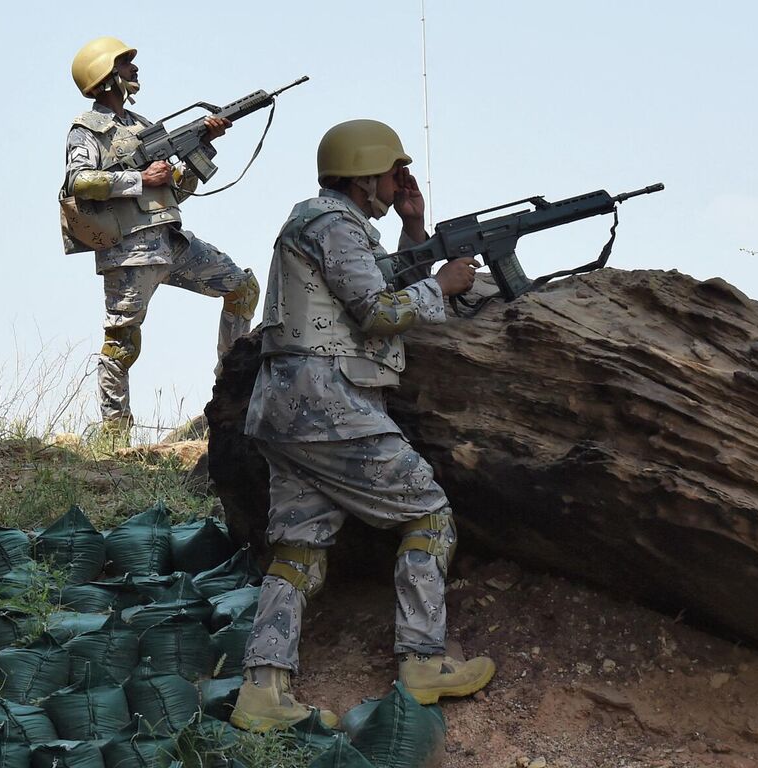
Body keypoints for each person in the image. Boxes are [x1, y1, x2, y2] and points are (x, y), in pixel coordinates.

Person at [231, 119, 495, 732]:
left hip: (287, 406)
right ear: (363, 173)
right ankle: (423, 660)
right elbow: (378, 311)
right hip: (327, 403)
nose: (400, 179)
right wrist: (443, 286)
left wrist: (411, 225)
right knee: (428, 513)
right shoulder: (332, 223)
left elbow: (379, 280)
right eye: (392, 170)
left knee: (298, 549)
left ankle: (262, 690)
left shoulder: (330, 224)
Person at [62, 36, 260, 438]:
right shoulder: (87, 129)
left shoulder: (141, 126)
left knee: (243, 289)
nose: (133, 70)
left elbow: (175, 192)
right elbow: (78, 181)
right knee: (121, 340)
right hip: (130, 251)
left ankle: (232, 395)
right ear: (105, 78)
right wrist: (139, 178)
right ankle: (114, 437)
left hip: (170, 242)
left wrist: (202, 147)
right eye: (123, 65)